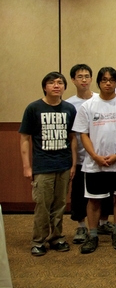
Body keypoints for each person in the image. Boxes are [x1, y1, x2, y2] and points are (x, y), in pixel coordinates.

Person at [72, 66, 116, 254]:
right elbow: (83, 134)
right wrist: (95, 156)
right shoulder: (88, 105)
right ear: (98, 82)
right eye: (104, 80)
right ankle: (92, 236)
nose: (108, 83)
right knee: (94, 200)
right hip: (94, 163)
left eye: (112, 80)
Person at [19, 71, 77, 256]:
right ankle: (38, 240)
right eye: (52, 83)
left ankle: (57, 237)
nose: (56, 86)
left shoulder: (69, 109)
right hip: (42, 166)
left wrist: (74, 164)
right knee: (42, 205)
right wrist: (27, 166)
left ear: (64, 87)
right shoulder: (33, 108)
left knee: (60, 204)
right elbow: (25, 138)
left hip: (64, 165)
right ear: (45, 87)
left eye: (60, 83)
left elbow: (72, 138)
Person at [67, 64, 112, 244]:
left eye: (87, 76)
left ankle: (103, 222)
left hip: (104, 157)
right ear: (73, 80)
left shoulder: (100, 99)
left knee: (105, 192)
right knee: (79, 193)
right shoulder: (70, 104)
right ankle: (81, 226)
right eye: (80, 77)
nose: (84, 80)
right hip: (80, 156)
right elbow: (73, 134)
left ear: (92, 79)